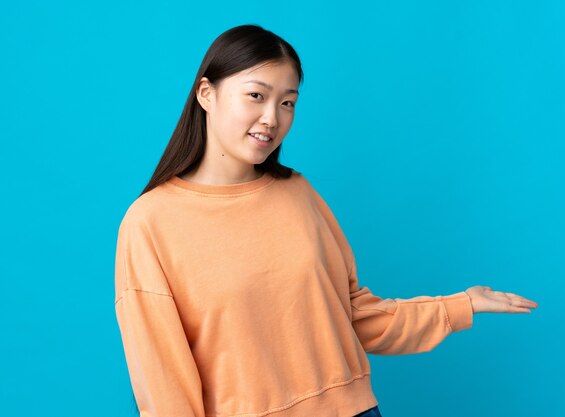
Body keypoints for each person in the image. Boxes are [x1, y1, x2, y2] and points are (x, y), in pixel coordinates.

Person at [113, 24, 539, 417]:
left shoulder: (298, 194)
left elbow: (356, 317)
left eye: (287, 103)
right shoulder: (151, 222)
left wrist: (461, 304)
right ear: (207, 94)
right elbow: (164, 381)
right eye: (256, 96)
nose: (272, 119)